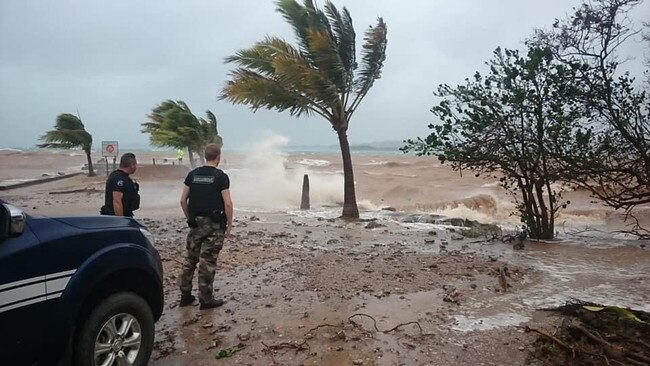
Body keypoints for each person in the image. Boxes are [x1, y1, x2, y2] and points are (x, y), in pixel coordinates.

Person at [178, 144, 233, 309]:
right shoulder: (220, 176)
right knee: (207, 262)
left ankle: (185, 295)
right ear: (218, 157)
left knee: (190, 260)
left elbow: (182, 200)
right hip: (214, 225)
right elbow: (228, 203)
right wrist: (229, 225)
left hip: (196, 223)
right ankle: (206, 299)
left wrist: (190, 218)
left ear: (205, 156)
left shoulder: (193, 174)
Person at [100, 153, 140, 217]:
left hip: (127, 215)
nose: (136, 167)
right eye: (135, 164)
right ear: (132, 165)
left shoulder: (126, 178)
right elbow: (117, 202)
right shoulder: (118, 178)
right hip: (114, 218)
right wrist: (121, 221)